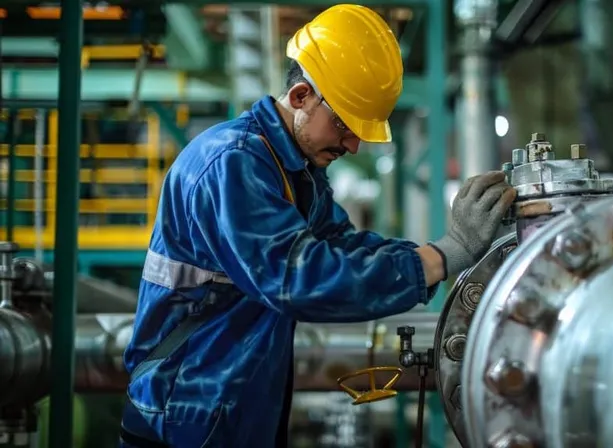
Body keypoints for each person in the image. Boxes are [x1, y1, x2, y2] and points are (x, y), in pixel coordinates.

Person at [119, 4, 515, 448]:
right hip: (184, 410)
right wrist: (443, 256)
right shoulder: (233, 163)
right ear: (301, 96)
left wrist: (437, 253)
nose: (354, 144)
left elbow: (344, 247)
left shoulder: (295, 171)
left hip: (229, 404)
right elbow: (299, 279)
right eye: (344, 124)